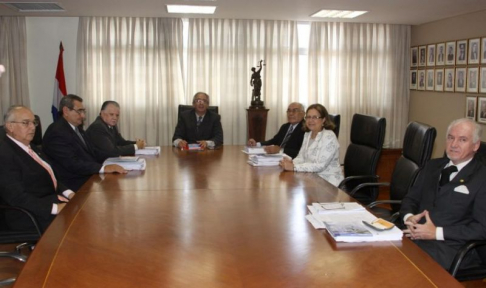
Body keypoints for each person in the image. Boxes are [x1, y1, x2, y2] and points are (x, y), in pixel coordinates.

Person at [400, 118, 486, 270]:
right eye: (450, 138)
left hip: (450, 248)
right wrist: (409, 217)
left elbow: (482, 228)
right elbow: (410, 199)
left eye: (462, 140)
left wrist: (437, 233)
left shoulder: (481, 177)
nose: (454, 145)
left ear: (476, 145)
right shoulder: (432, 166)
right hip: (413, 236)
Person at [0, 106, 74, 232]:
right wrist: (55, 208)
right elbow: (17, 198)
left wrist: (69, 193)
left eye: (34, 122)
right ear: (10, 126)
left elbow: (50, 177)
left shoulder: (31, 147)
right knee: (79, 225)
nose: (33, 127)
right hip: (27, 214)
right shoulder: (4, 153)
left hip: (49, 201)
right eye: (25, 123)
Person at [43, 95, 127, 191]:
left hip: (87, 176)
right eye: (79, 111)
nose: (83, 116)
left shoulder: (77, 128)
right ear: (66, 111)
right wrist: (103, 168)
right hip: (72, 184)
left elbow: (93, 152)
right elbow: (72, 163)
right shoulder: (57, 132)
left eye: (83, 111)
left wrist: (113, 160)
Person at [279, 104, 343, 186]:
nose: (310, 120)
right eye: (308, 117)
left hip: (328, 182)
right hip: (310, 178)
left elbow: (320, 166)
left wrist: (294, 167)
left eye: (315, 117)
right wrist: (290, 163)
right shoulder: (307, 134)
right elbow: (301, 157)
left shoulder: (329, 137)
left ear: (323, 119)